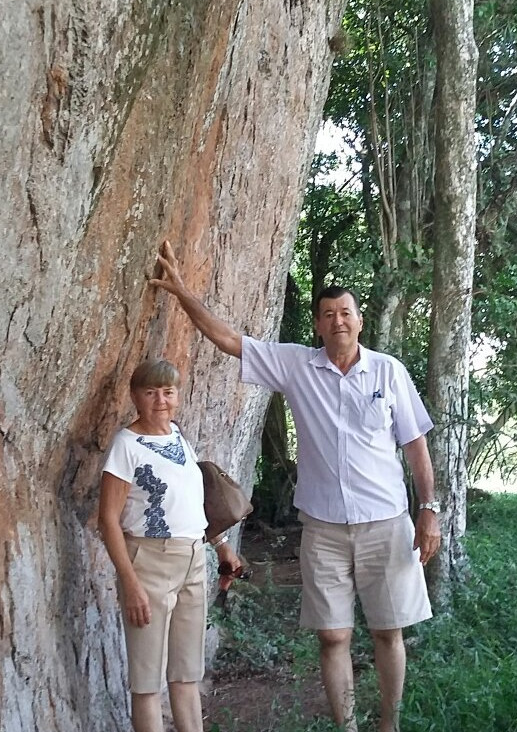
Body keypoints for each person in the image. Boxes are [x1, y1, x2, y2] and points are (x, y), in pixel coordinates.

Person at [149, 240, 441, 732]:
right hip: (323, 529)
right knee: (333, 636)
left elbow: (415, 445)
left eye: (345, 312)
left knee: (388, 632)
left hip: (386, 524)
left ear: (359, 320)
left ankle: (389, 725)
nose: (338, 321)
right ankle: (347, 727)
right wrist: (181, 292)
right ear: (318, 325)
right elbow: (229, 340)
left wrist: (428, 508)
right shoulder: (296, 365)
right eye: (328, 315)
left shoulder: (388, 372)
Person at [98, 359, 240, 732]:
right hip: (149, 562)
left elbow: (191, 501)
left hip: (193, 559)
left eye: (168, 392)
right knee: (147, 681)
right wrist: (131, 584)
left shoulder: (177, 436)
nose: (160, 400)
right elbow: (108, 520)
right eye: (150, 392)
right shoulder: (126, 446)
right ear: (135, 397)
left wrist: (221, 545)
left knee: (186, 673)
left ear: (178, 395)